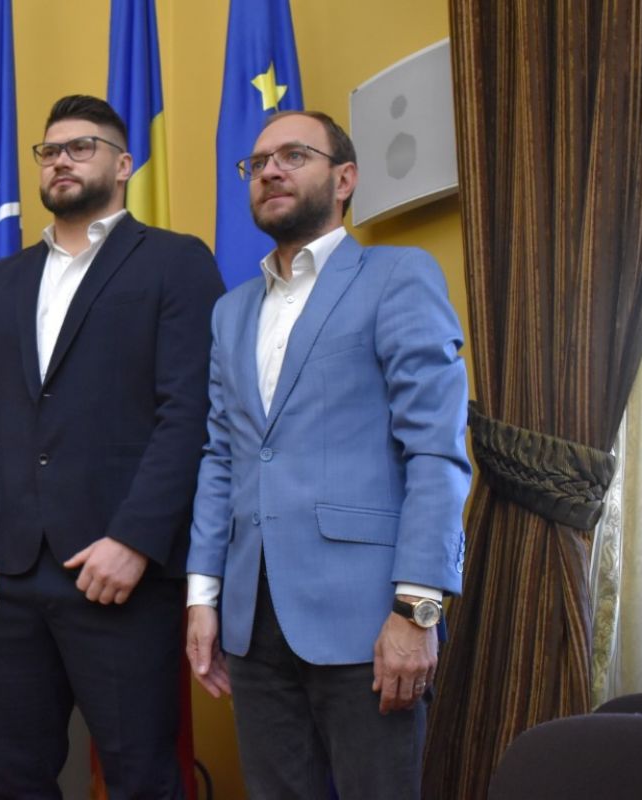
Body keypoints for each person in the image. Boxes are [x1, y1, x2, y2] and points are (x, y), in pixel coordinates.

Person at [0, 95, 225, 799]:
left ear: (124, 165)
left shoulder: (177, 263)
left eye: (81, 147)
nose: (61, 160)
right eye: (50, 150)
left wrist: (135, 540)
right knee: (14, 777)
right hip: (6, 574)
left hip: (119, 574)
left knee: (142, 778)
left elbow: (189, 416)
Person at [185, 111, 471, 799]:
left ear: (345, 180)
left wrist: (417, 610)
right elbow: (221, 457)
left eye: (293, 156)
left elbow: (435, 450)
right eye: (258, 164)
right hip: (253, 624)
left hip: (369, 620)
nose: (270, 172)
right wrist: (203, 596)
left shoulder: (397, 275)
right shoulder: (231, 311)